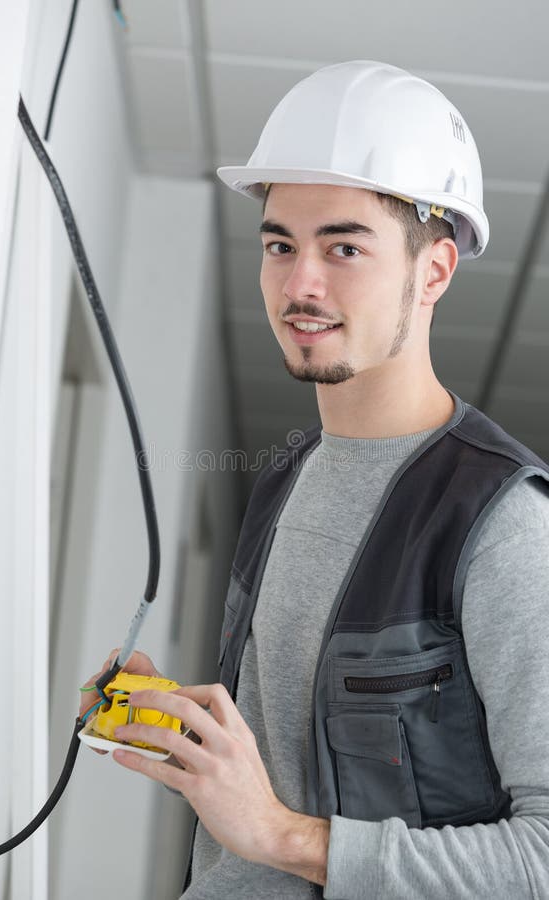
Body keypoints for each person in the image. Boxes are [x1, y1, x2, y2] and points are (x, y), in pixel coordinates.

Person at [81, 61, 549, 898]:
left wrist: (284, 836)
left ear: (434, 271)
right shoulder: (286, 479)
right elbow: (294, 764)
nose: (300, 284)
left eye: (344, 247)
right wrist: (184, 734)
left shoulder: (503, 525)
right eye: (279, 245)